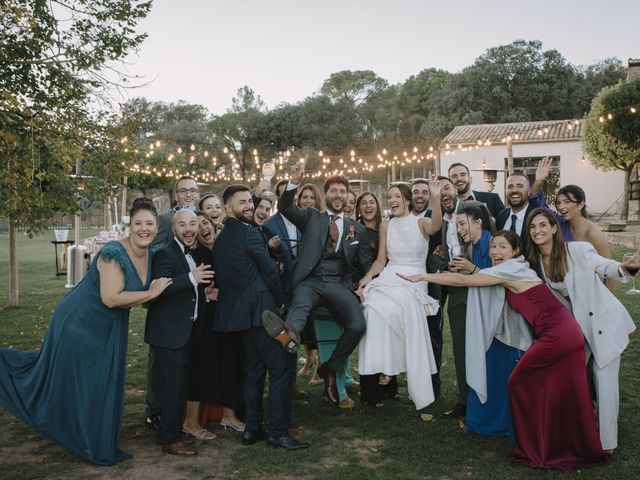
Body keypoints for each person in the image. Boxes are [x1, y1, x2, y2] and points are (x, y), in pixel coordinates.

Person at [398, 230, 612, 471]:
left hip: (558, 335)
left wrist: (422, 277)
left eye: (502, 247)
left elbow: (463, 280)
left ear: (516, 252)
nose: (495, 252)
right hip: (566, 332)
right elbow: (481, 276)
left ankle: (534, 447)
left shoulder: (509, 270)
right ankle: (559, 442)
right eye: (493, 246)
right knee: (561, 390)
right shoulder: (517, 267)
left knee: (519, 382)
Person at [0, 199, 172, 465]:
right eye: (138, 223)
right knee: (86, 381)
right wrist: (151, 291)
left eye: (149, 223)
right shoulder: (113, 253)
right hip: (80, 321)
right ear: (129, 225)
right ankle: (87, 440)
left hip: (109, 326)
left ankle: (92, 437)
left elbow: (149, 294)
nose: (144, 229)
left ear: (156, 226)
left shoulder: (152, 254)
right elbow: (111, 298)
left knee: (101, 381)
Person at [525, 208, 638, 452]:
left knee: (603, 379)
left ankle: (607, 444)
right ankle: (576, 429)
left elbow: (604, 266)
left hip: (602, 324)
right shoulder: (535, 262)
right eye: (533, 227)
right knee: (570, 378)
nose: (537, 231)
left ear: (555, 228)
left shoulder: (577, 250)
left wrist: (625, 267)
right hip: (575, 332)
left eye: (543, 225)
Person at [262, 159, 366, 407]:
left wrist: (361, 285)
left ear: (348, 196)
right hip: (309, 280)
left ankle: (330, 367)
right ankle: (289, 335)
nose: (338, 195)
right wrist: (294, 180)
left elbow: (363, 262)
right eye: (333, 191)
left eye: (343, 191)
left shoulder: (355, 228)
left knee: (357, 325)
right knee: (300, 308)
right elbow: (286, 206)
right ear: (326, 194)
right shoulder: (311, 217)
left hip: (338, 283)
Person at [213, 185, 309, 450]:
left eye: (249, 201)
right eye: (241, 202)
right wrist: (280, 304)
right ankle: (278, 432)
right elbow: (269, 272)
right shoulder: (249, 234)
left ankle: (252, 429)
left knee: (254, 370)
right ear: (227, 207)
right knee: (281, 368)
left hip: (241, 318)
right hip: (264, 314)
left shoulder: (221, 239)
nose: (248, 206)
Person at [357, 180, 442, 410]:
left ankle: (401, 366)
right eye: (389, 198)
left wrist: (435, 198)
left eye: (396, 197)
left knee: (399, 308)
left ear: (406, 199)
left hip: (413, 277)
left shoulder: (421, 222)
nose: (392, 201)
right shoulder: (386, 225)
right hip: (389, 274)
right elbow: (381, 260)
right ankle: (385, 367)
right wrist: (366, 280)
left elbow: (436, 226)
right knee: (372, 309)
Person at [145, 209, 215, 456]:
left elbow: (188, 294)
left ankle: (169, 430)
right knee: (172, 389)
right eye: (183, 225)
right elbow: (159, 292)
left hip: (186, 332)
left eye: (192, 224)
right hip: (168, 334)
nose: (189, 229)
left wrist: (204, 295)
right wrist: (191, 278)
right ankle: (170, 439)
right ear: (174, 228)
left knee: (177, 388)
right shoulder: (165, 253)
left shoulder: (193, 252)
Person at [453, 205, 524, 440]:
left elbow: (494, 276)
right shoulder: (471, 245)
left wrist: (471, 269)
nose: (460, 229)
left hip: (498, 318)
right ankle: (484, 418)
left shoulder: (487, 241)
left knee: (494, 367)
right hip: (481, 312)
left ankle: (495, 421)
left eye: (463, 223)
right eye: (457, 225)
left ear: (478, 223)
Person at [182, 211, 245, 440]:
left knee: (229, 363)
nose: (203, 228)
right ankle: (190, 420)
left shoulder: (223, 248)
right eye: (197, 226)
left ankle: (229, 415)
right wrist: (207, 293)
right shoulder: (196, 255)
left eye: (205, 222)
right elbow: (193, 286)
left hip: (227, 317)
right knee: (201, 368)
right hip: (204, 321)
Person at [146, 175, 200, 430]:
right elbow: (156, 261)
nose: (189, 195)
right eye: (184, 191)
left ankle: (174, 421)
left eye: (193, 190)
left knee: (180, 375)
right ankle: (157, 415)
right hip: (167, 311)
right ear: (176, 194)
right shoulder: (167, 222)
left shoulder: (198, 218)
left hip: (187, 311)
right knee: (163, 371)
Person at [438, 176, 489, 418]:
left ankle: (486, 397)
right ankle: (464, 399)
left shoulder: (476, 211)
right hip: (457, 288)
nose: (442, 193)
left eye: (446, 187)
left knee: (485, 346)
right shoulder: (440, 220)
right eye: (437, 190)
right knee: (460, 346)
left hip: (483, 288)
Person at [411, 178, 444, 399]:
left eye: (425, 192)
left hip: (431, 281)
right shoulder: (396, 219)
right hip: (406, 281)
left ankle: (433, 383)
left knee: (432, 332)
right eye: (416, 192)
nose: (420, 196)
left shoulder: (434, 218)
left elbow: (439, 233)